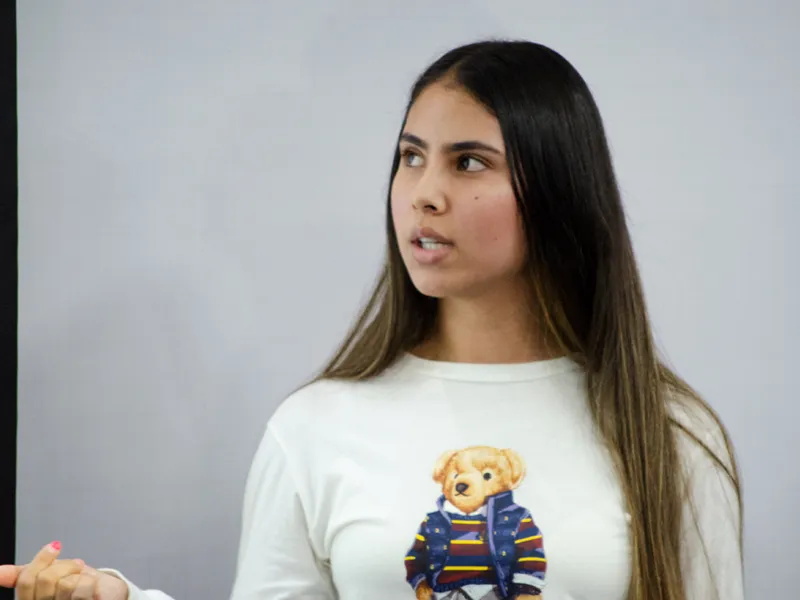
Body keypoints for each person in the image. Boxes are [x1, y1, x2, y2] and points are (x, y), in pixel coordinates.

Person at [0, 39, 743, 600]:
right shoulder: (315, 428)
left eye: (469, 162)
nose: (423, 193)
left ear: (558, 189)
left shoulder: (669, 435)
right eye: (411, 157)